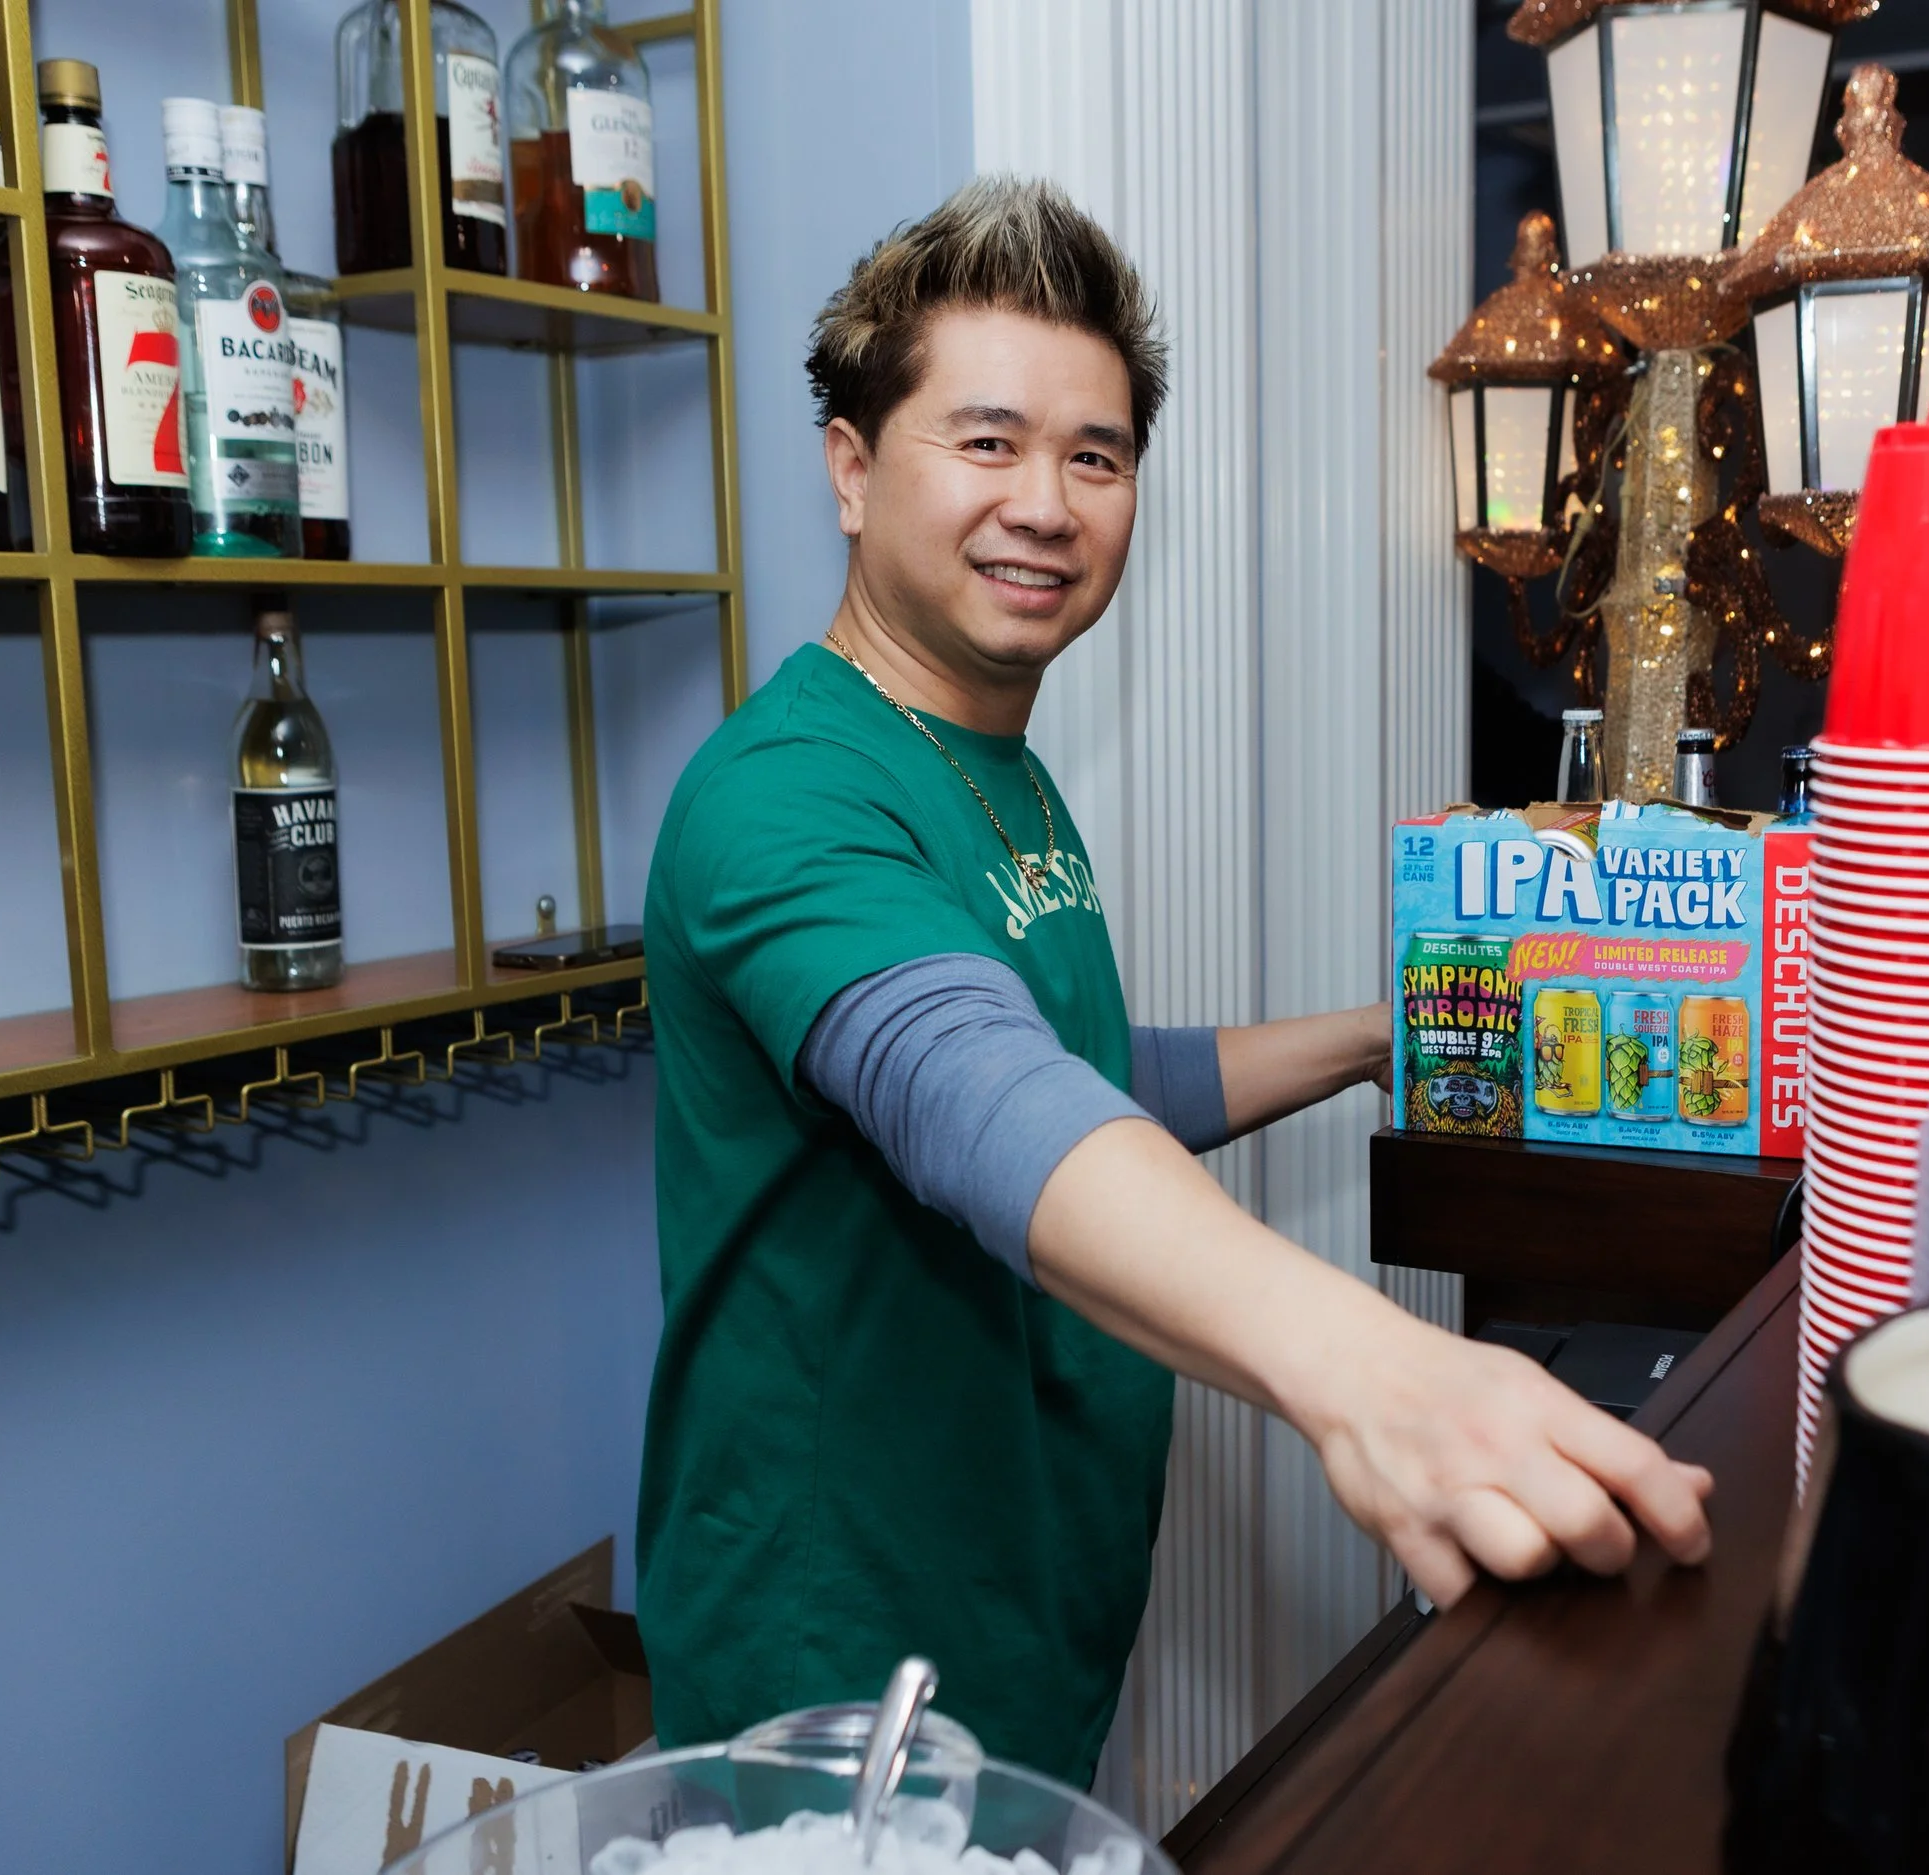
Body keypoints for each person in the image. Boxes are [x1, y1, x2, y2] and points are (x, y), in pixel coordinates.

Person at [636, 178, 1714, 1788]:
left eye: (1098, 454)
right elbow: (965, 1093)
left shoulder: (990, 760)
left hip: (1017, 1624)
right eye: (987, 441)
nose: (1050, 504)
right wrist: (1376, 1373)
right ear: (853, 470)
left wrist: (1374, 1038)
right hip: (836, 1670)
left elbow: (1072, 1064)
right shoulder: (783, 792)